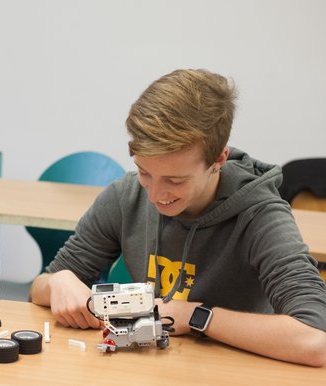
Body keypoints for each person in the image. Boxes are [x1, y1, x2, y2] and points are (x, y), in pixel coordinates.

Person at [30, 69, 326, 367]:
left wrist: (194, 316)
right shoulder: (126, 195)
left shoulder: (260, 215)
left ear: (218, 160)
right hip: (153, 369)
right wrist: (59, 280)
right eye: (145, 172)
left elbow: (316, 340)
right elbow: (39, 287)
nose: (156, 194)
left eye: (175, 180)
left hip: (234, 372)